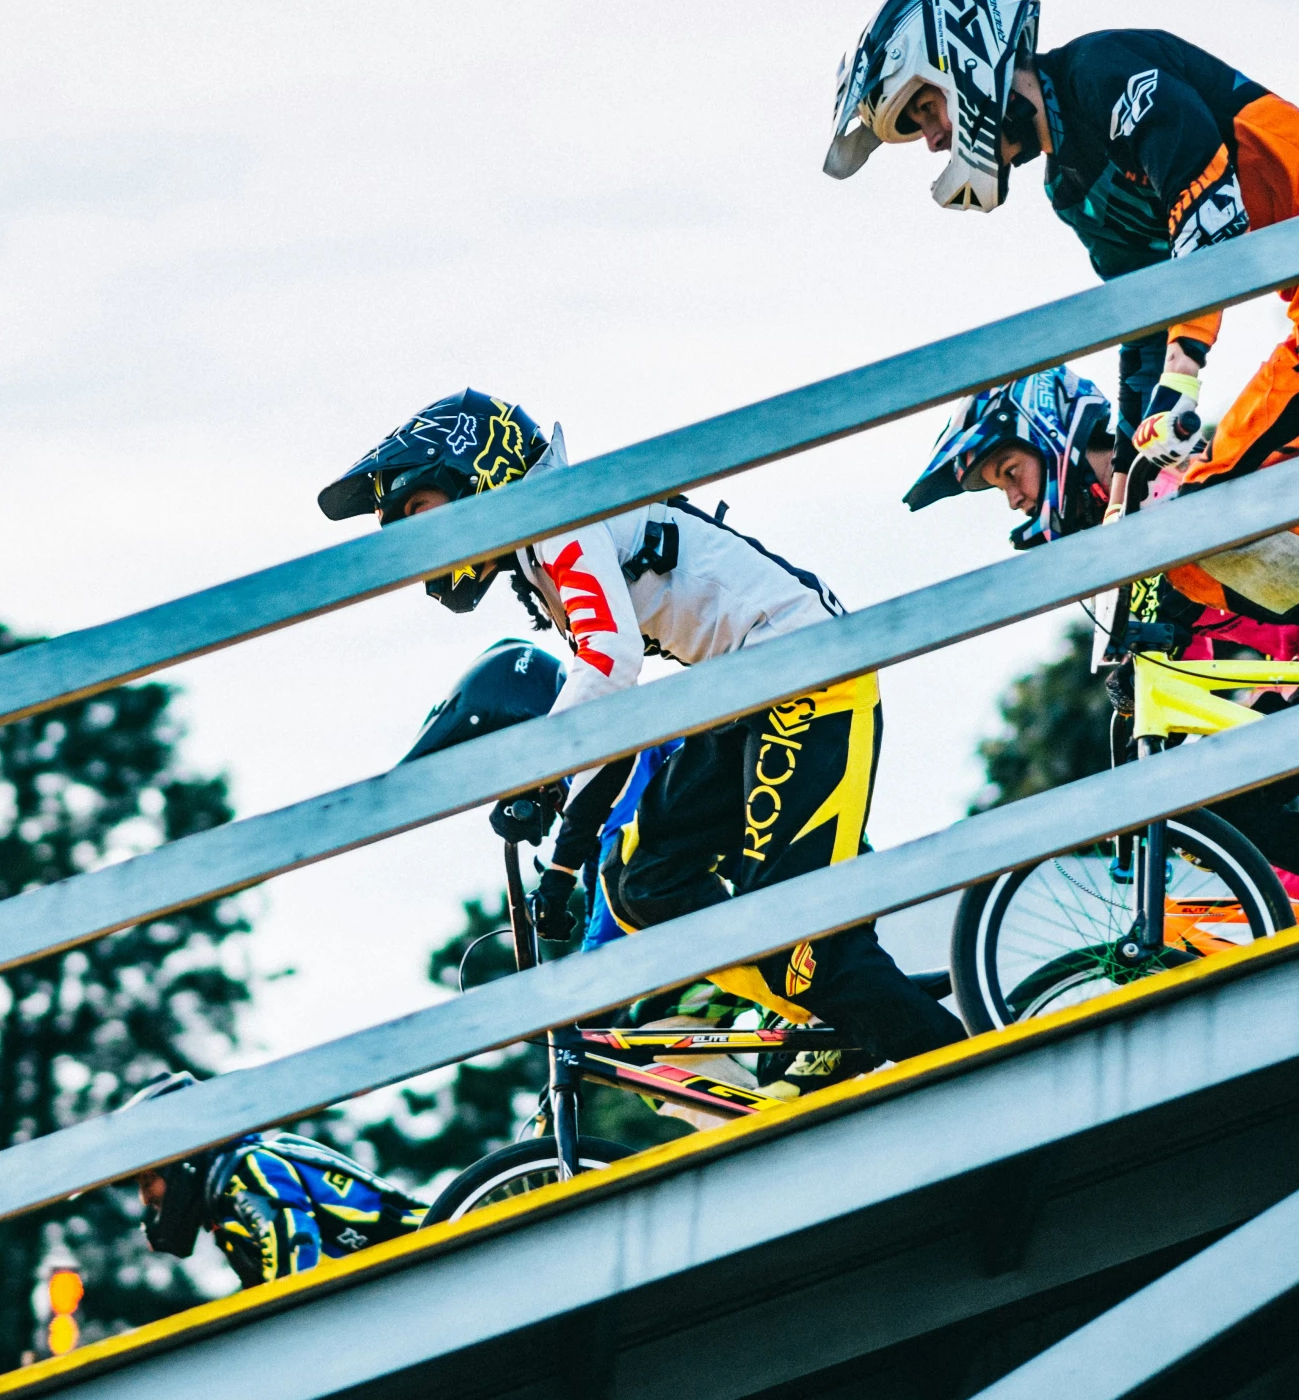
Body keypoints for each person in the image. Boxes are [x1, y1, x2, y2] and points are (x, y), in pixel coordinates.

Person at [821, 0, 1299, 850]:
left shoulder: (1104, 69)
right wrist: (1130, 492)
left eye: (925, 109)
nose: (933, 137)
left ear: (965, 60)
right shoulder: (1072, 187)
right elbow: (1145, 318)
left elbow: (1212, 210)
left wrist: (1184, 384)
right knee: (1201, 516)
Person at [322, 389, 962, 1064]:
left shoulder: (557, 519)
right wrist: (564, 863)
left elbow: (610, 660)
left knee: (800, 939)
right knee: (641, 880)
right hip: (744, 690)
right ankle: (844, 1010)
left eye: (419, 512)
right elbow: (616, 715)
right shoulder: (546, 553)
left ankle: (949, 1063)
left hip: (804, 673)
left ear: (475, 470)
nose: (418, 543)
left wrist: (540, 773)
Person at [906, 364, 1299, 904]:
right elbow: (1179, 679)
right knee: (1211, 806)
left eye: (1009, 473)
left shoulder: (1163, 485)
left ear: (1055, 439)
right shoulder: (1122, 532)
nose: (1014, 500)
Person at [123, 1073, 427, 1288]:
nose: (145, 1197)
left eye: (148, 1180)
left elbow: (294, 1241)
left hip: (423, 1243)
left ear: (181, 1160)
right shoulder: (224, 1209)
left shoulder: (246, 1172)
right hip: (391, 1273)